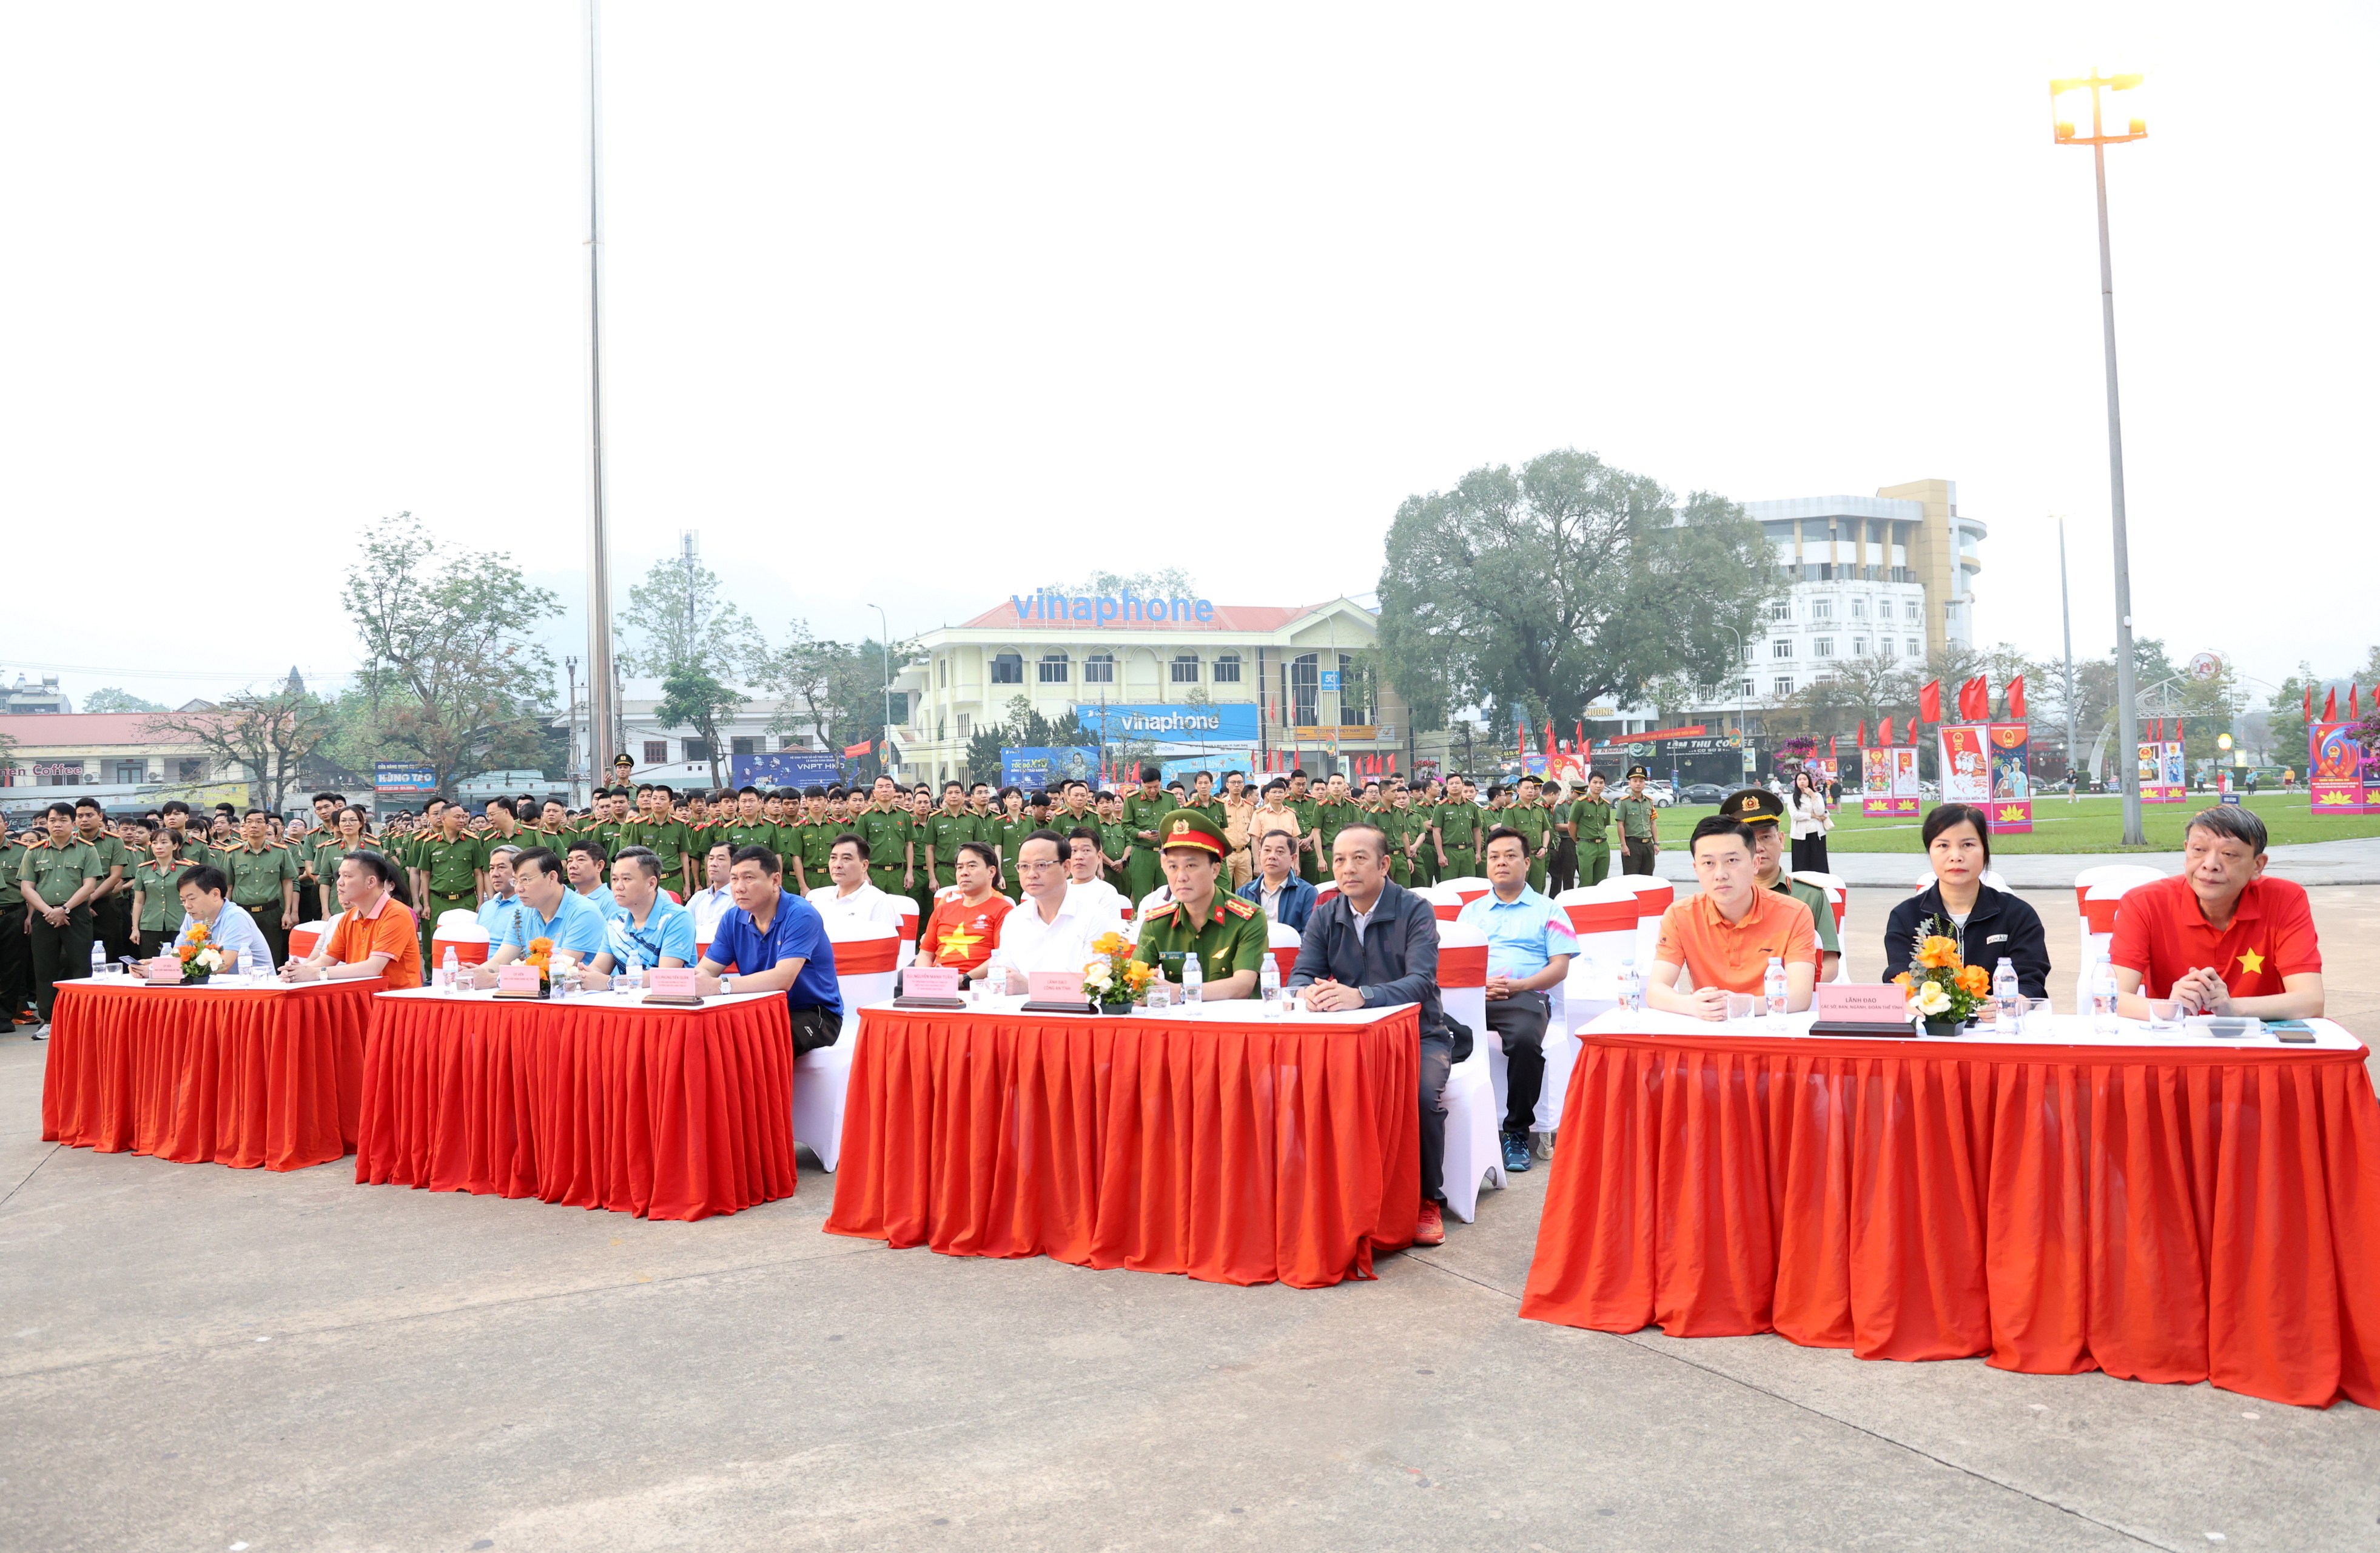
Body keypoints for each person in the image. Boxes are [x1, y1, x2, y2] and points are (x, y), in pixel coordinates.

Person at [1287, 821, 1454, 1244]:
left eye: (1359, 858)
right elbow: (1300, 976)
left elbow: (1421, 982)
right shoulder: (1326, 913)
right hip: (1350, 1038)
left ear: (1384, 864)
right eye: (1340, 859)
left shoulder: (1415, 910)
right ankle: (1325, 1196)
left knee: (1421, 1097)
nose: (1347, 868)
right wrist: (1310, 993)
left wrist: (1362, 995)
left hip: (1418, 1035)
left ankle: (1427, 1198)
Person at [2108, 803, 2322, 1019]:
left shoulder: (2284, 898)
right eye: (2199, 850)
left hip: (2257, 1035)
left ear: (2257, 865)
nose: (2210, 865)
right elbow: (2112, 999)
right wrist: (2171, 1008)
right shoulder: (2144, 902)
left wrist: (2232, 1008)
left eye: (2229, 854)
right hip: (2177, 1034)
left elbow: (2311, 1001)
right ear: (2186, 852)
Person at [1457, 826, 1577, 1171]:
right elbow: (1458, 966)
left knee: (1525, 1042)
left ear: (1527, 863)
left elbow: (1560, 968)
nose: (1501, 863)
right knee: (1431, 1031)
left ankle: (1516, 1132)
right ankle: (1451, 1124)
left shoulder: (1549, 910)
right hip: (1476, 995)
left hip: (1526, 997)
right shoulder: (1471, 913)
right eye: (1494, 857)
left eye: (1510, 856)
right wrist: (1478, 985)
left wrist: (1519, 986)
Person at [1645, 817, 1819, 1018]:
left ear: (1755, 864)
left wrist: (1739, 1006)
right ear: (1696, 869)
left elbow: (1800, 997)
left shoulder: (1794, 913)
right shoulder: (1680, 915)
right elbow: (1656, 991)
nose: (1720, 874)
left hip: (1771, 1025)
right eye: (1708, 863)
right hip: (1711, 1025)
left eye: (1732, 861)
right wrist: (1691, 1005)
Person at [1881, 803, 2049, 999]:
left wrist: (2005, 1004)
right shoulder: (1906, 916)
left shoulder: (2018, 914)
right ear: (1930, 851)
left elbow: (2030, 983)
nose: (1956, 857)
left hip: (1999, 1016)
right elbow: (1900, 981)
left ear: (1985, 850)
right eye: (1943, 846)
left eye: (1968, 845)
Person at [699, 845, 841, 1052]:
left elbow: (783, 979)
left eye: (749, 878)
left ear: (775, 880)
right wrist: (680, 984)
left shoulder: (801, 914)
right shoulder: (732, 918)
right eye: (734, 879)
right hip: (760, 1010)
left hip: (812, 1013)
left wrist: (720, 986)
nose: (739, 888)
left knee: (757, 1041)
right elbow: (705, 970)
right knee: (707, 1034)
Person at [1131, 810, 1268, 999]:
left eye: (1191, 866)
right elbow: (1135, 980)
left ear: (1215, 870)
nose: (1181, 877)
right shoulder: (1156, 923)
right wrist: (1141, 987)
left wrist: (1182, 993)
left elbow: (1242, 985)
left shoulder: (1248, 918)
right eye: (1173, 866)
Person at [1720, 788, 1843, 983]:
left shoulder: (1811, 896)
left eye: (1766, 837)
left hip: (1794, 995)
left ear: (1781, 840)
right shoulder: (1724, 898)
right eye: (1748, 840)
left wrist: (1788, 993)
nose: (1759, 848)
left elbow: (1829, 965)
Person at [18, 803, 105, 1032]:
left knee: (81, 965)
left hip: (76, 914)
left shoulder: (87, 849)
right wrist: (49, 911)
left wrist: (64, 909)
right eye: (53, 820)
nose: (57, 824)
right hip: (44, 915)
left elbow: (89, 886)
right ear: (46, 824)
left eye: (63, 820)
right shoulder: (34, 851)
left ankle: (84, 1018)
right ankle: (49, 1020)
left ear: (73, 823)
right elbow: (27, 888)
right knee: (45, 967)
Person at [281, 850, 423, 987]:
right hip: (361, 996)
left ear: (371, 882)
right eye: (339, 876)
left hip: (394, 999)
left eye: (347, 876)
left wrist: (318, 973)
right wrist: (297, 971)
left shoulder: (396, 914)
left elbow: (373, 968)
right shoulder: (349, 917)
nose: (339, 882)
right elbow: (325, 960)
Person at [474, 847, 611, 986]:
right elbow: (499, 961)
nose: (518, 889)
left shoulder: (583, 912)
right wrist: (474, 974)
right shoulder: (521, 913)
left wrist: (495, 980)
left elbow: (557, 972)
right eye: (515, 881)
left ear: (552, 877)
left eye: (525, 880)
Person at [983, 831, 1101, 992]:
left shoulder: (1093, 917)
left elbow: (1095, 987)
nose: (1031, 874)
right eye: (1024, 866)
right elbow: (1006, 980)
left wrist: (1031, 987)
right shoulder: (1014, 919)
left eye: (1041, 865)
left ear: (1066, 868)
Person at [582, 847, 696, 988]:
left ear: (651, 884)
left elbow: (666, 976)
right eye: (615, 879)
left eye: (626, 879)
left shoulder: (677, 918)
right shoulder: (616, 920)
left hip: (666, 1000)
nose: (618, 886)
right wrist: (584, 975)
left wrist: (611, 982)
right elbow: (599, 968)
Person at [215, 807, 301, 967]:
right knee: (240, 958)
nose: (254, 825)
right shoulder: (233, 853)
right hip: (242, 913)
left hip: (272, 913)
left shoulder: (280, 852)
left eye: (259, 822)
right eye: (249, 822)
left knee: (272, 957)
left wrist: (287, 913)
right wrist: (224, 915)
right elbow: (228, 886)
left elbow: (287, 882)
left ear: (267, 826)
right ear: (244, 827)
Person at [154, 863, 274, 975]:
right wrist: (156, 967)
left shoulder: (236, 917)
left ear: (215, 894)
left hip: (253, 987)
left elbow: (222, 965)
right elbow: (177, 955)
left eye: (192, 899)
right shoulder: (192, 917)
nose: (187, 905)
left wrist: (161, 971)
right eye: (183, 900)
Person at [916, 842, 1013, 977]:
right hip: (937, 983)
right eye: (960, 867)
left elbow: (1002, 957)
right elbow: (926, 954)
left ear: (991, 872)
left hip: (976, 985)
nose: (964, 873)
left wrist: (963, 979)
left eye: (972, 866)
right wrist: (928, 977)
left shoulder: (1004, 911)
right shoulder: (942, 910)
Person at [72, 797, 136, 968]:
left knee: (109, 952)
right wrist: (80, 903)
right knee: (77, 955)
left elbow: (115, 877)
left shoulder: (114, 841)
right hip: (72, 906)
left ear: (100, 816)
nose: (84, 820)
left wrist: (89, 900)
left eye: (89, 815)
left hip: (103, 903)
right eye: (80, 816)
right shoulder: (70, 841)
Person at [807, 833, 906, 931]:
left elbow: (884, 940)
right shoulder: (820, 898)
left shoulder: (878, 902)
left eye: (846, 858)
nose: (837, 865)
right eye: (833, 858)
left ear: (864, 865)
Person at [1237, 828, 1317, 930]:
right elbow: (1237, 932)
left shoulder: (1307, 893)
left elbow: (1311, 934)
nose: (1272, 856)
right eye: (1267, 850)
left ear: (1293, 858)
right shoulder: (1243, 894)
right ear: (1260, 854)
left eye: (1280, 852)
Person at [127, 829, 191, 951]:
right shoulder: (143, 870)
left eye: (164, 842)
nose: (159, 847)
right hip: (150, 925)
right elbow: (138, 902)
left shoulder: (186, 869)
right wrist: (135, 928)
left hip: (180, 924)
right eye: (155, 843)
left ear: (175, 846)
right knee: (150, 961)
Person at [1120, 765, 1173, 904]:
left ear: (1160, 783)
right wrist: (1142, 834)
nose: (1153, 790)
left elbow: (1177, 822)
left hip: (1165, 852)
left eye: (1156, 786)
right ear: (1142, 783)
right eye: (1149, 787)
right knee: (1141, 896)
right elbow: (1126, 825)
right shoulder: (1132, 799)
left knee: (1166, 895)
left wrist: (1165, 835)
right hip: (1142, 853)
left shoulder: (1170, 798)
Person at [1061, 827, 1128, 924]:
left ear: (1099, 857)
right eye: (1074, 851)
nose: (1079, 857)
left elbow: (1107, 930)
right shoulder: (1059, 890)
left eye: (1086, 850)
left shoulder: (1106, 892)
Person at [1566, 771, 1613, 888]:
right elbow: (1571, 826)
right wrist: (1579, 841)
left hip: (1603, 845)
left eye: (1601, 783)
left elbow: (1604, 825)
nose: (1598, 786)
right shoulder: (1580, 803)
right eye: (1595, 782)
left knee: (1601, 881)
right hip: (1586, 845)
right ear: (1589, 784)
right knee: (1586, 881)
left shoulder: (1605, 805)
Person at [689, 841, 736, 949]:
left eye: (721, 859)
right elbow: (682, 925)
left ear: (734, 865)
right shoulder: (698, 897)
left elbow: (727, 934)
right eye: (711, 859)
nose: (713, 864)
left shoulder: (738, 899)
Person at [1613, 766, 1659, 876]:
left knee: (1648, 876)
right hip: (1632, 844)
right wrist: (1623, 845)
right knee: (1632, 877)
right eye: (1635, 781)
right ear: (1630, 783)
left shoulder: (1649, 802)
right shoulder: (1624, 802)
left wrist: (1656, 843)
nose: (1638, 784)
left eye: (1641, 781)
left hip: (1648, 844)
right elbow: (1620, 825)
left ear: (1645, 784)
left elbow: (1653, 823)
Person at [1788, 769, 1833, 874]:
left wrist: (1813, 796)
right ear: (1796, 782)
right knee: (1801, 863)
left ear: (1809, 781)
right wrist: (1812, 816)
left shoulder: (1817, 796)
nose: (1802, 782)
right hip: (1800, 835)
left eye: (1805, 779)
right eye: (1800, 780)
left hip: (1816, 833)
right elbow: (1795, 815)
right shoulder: (1792, 798)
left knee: (1819, 863)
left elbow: (1820, 811)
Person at [1220, 770, 1258, 890]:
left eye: (1239, 782)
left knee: (1245, 890)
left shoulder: (1249, 806)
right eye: (1233, 783)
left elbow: (1253, 829)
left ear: (1243, 785)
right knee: (1224, 887)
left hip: (1244, 853)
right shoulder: (1221, 805)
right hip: (1227, 854)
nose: (1236, 785)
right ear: (1227, 785)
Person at [474, 845, 524, 934]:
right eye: (492, 868)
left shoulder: (528, 907)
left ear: (518, 871)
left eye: (501, 867)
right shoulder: (486, 907)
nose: (494, 874)